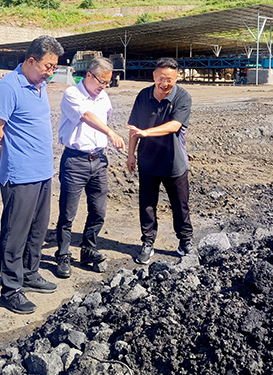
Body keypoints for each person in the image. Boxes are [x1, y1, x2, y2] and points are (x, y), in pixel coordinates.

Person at [0, 36, 64, 315]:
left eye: (54, 67)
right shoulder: (9, 87)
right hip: (20, 173)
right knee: (15, 233)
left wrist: (10, 143)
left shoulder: (40, 84)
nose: (50, 72)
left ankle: (30, 273)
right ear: (31, 60)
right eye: (47, 66)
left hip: (43, 170)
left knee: (38, 229)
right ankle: (10, 289)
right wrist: (9, 147)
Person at [55, 57, 125, 278]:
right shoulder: (72, 94)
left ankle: (88, 249)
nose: (103, 86)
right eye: (101, 81)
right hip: (75, 161)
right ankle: (63, 255)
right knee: (68, 212)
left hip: (99, 160)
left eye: (107, 82)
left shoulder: (103, 96)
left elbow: (105, 116)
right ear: (88, 75)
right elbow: (86, 116)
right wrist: (110, 133)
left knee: (98, 210)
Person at [127, 57, 194, 265]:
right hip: (147, 161)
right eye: (161, 78)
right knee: (147, 205)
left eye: (169, 79)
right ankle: (148, 242)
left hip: (174, 162)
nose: (165, 83)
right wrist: (131, 154)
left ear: (177, 77)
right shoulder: (143, 95)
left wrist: (147, 133)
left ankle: (185, 241)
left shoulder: (182, 97)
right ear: (154, 76)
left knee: (180, 205)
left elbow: (174, 125)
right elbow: (134, 127)